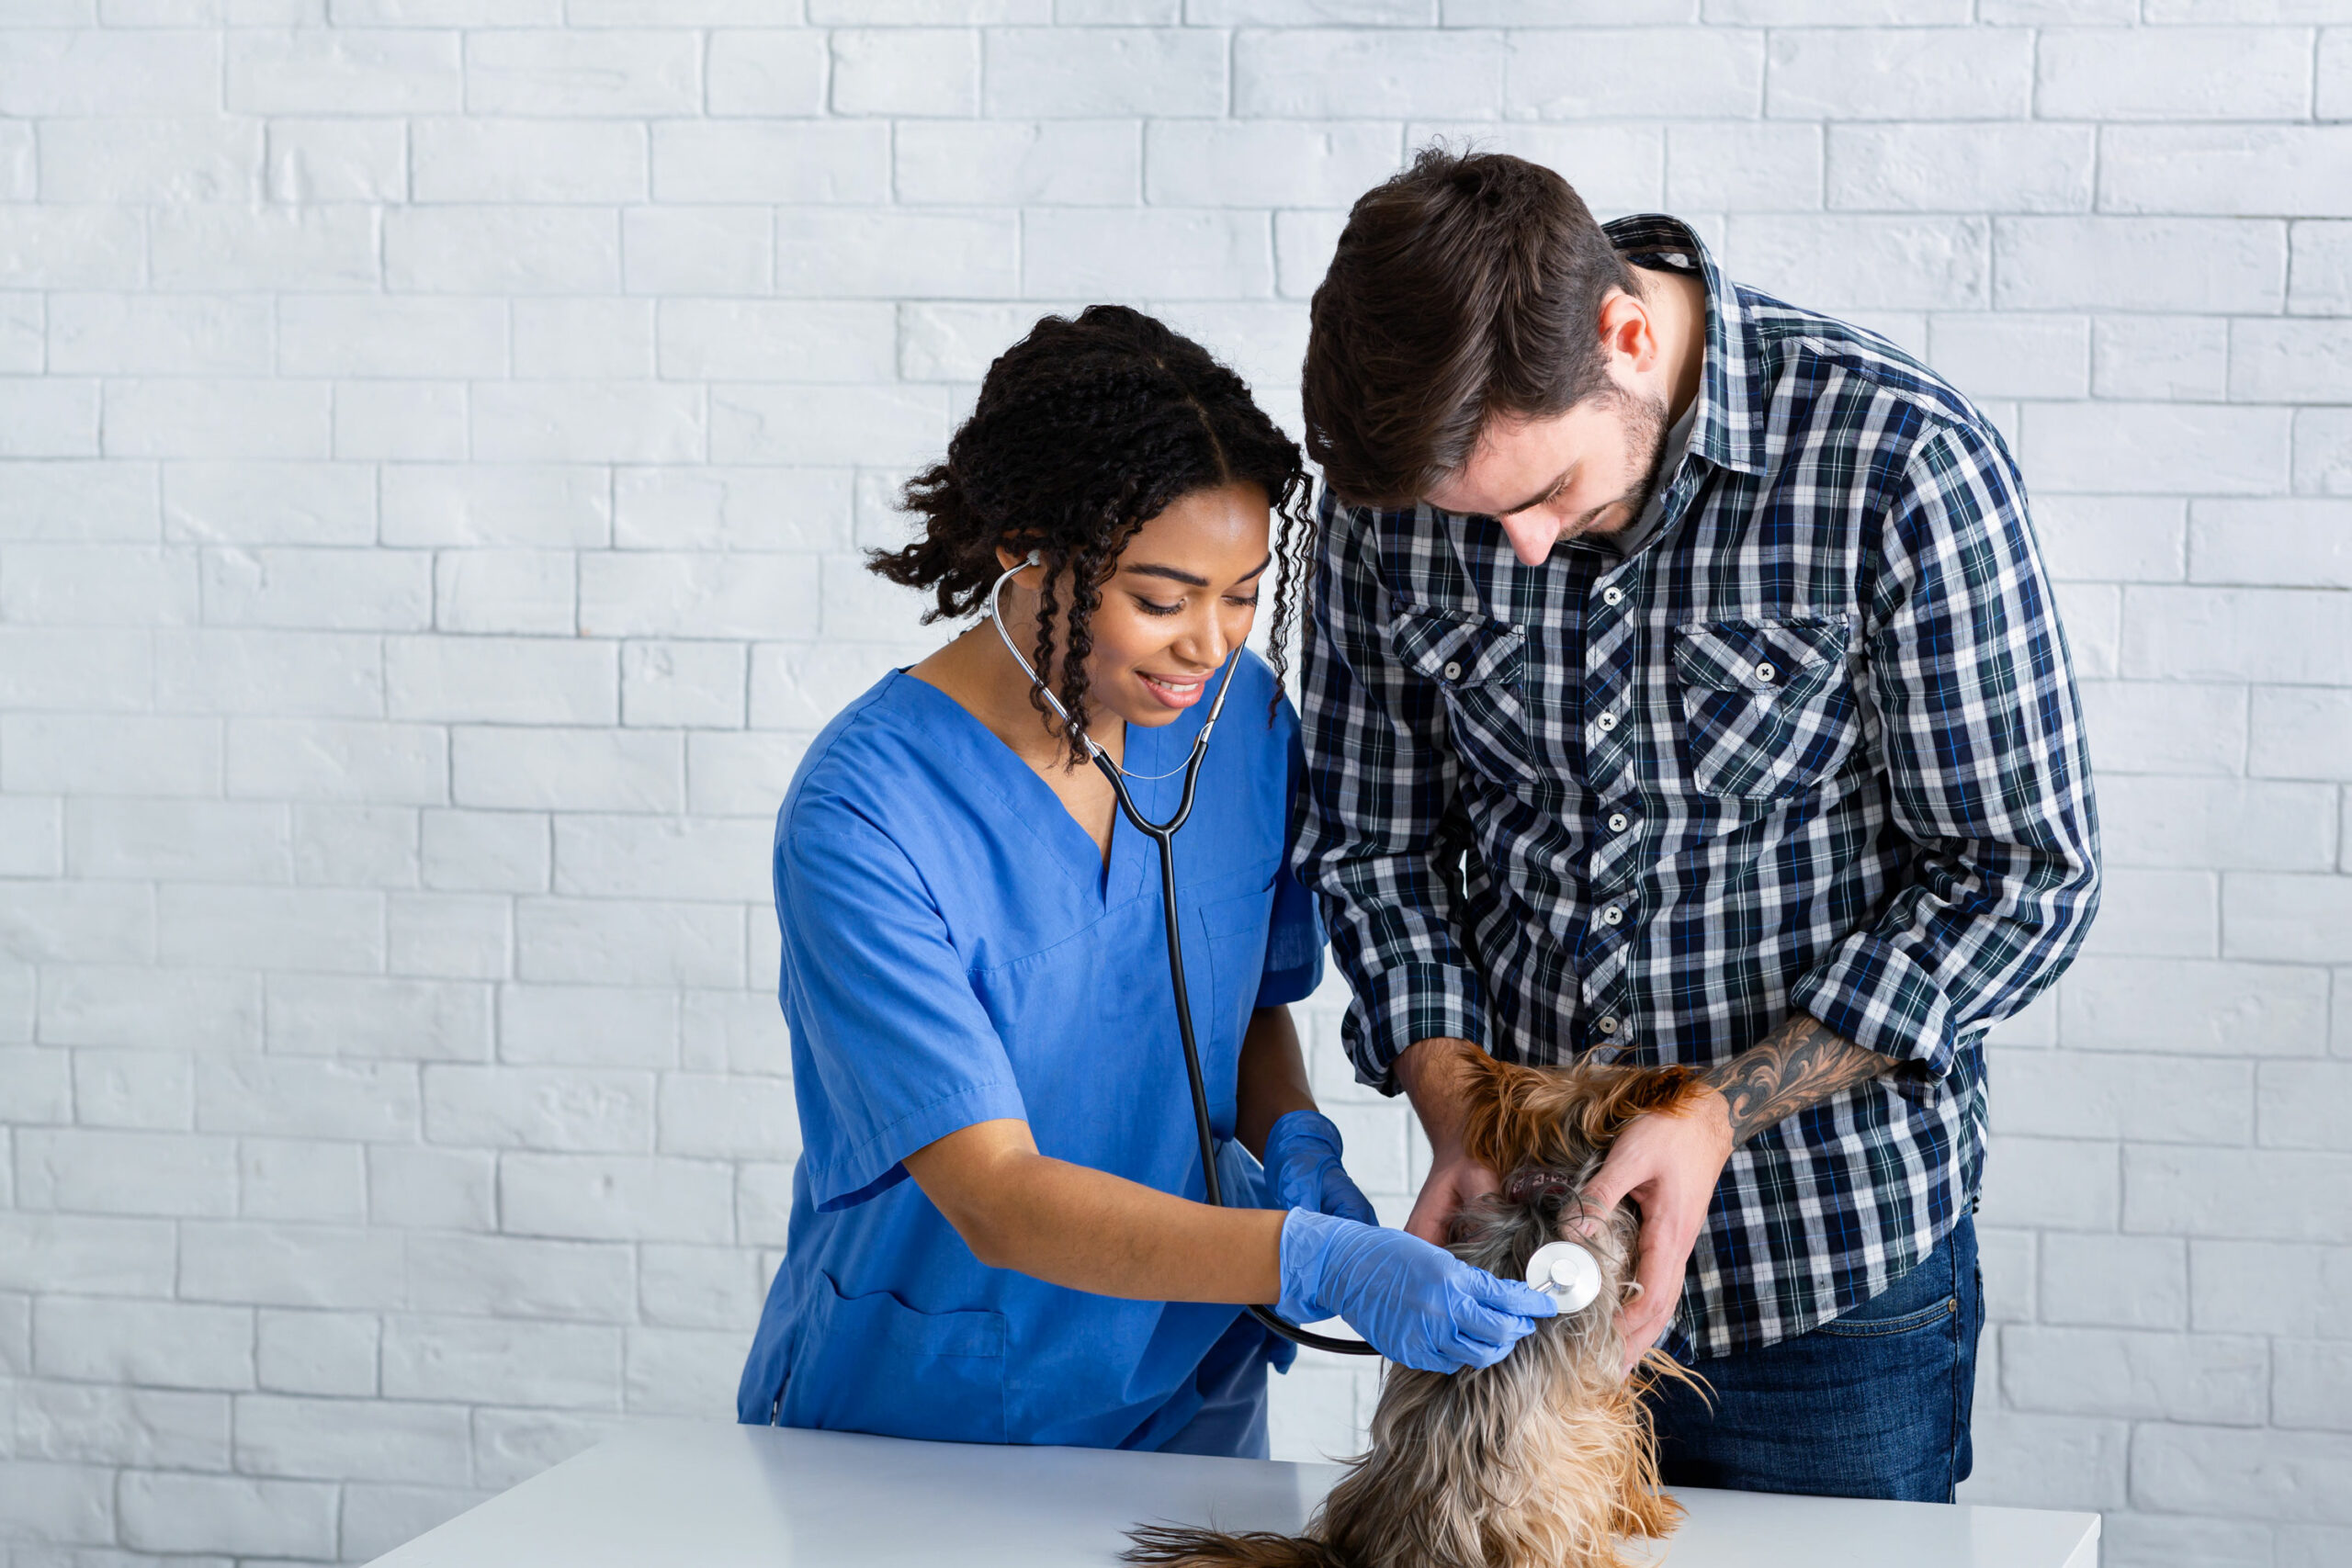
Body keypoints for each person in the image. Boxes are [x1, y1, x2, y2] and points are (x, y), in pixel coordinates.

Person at [1292, 150, 2101, 1501]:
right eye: (1480, 521)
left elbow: (2022, 873)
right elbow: (1377, 847)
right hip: (1520, 1273)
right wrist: (1455, 1105)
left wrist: (1719, 1109)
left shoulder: (1897, 458)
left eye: (1550, 493)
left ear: (1626, 334)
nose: (1527, 550)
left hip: (1830, 1286)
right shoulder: (1409, 497)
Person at [736, 306, 1557, 1458]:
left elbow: (1246, 1002)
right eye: (1163, 601)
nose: (1209, 645)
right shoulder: (866, 814)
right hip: (943, 1402)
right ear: (1025, 551)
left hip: (1192, 1379)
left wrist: (1296, 1148)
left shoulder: (1239, 720)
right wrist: (1304, 1256)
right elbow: (996, 1190)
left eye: (1241, 594)